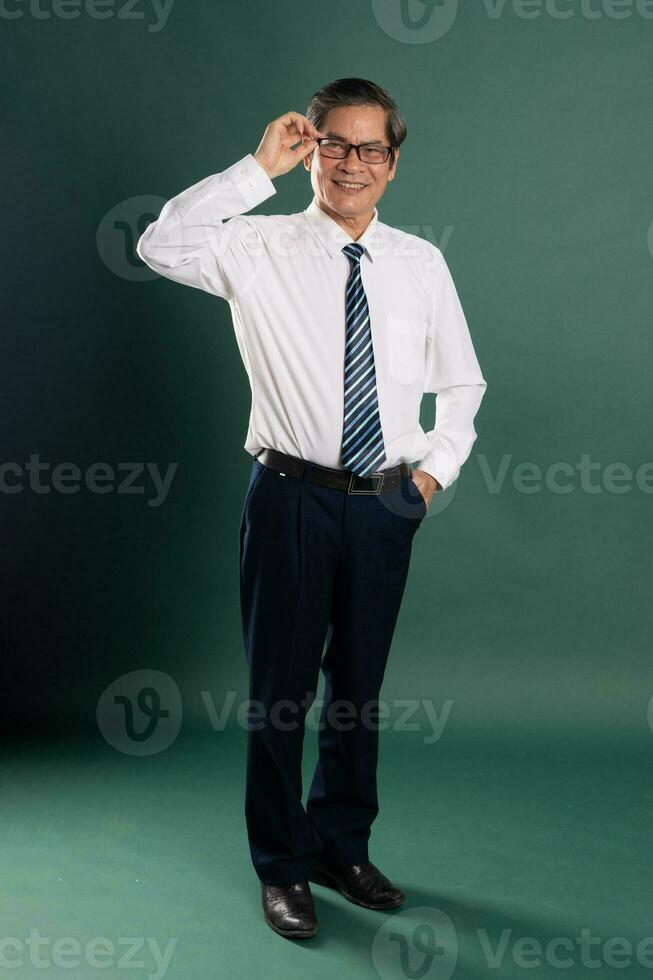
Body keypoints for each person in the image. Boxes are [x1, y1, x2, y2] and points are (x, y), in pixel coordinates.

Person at [137, 77, 487, 940]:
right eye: (335, 145)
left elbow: (463, 382)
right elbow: (156, 243)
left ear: (393, 163)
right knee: (279, 692)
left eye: (371, 149)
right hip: (290, 495)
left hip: (384, 504)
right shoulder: (253, 248)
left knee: (357, 691)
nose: (351, 164)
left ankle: (340, 845)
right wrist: (256, 169)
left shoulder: (420, 262)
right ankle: (282, 865)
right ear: (312, 150)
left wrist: (432, 474)